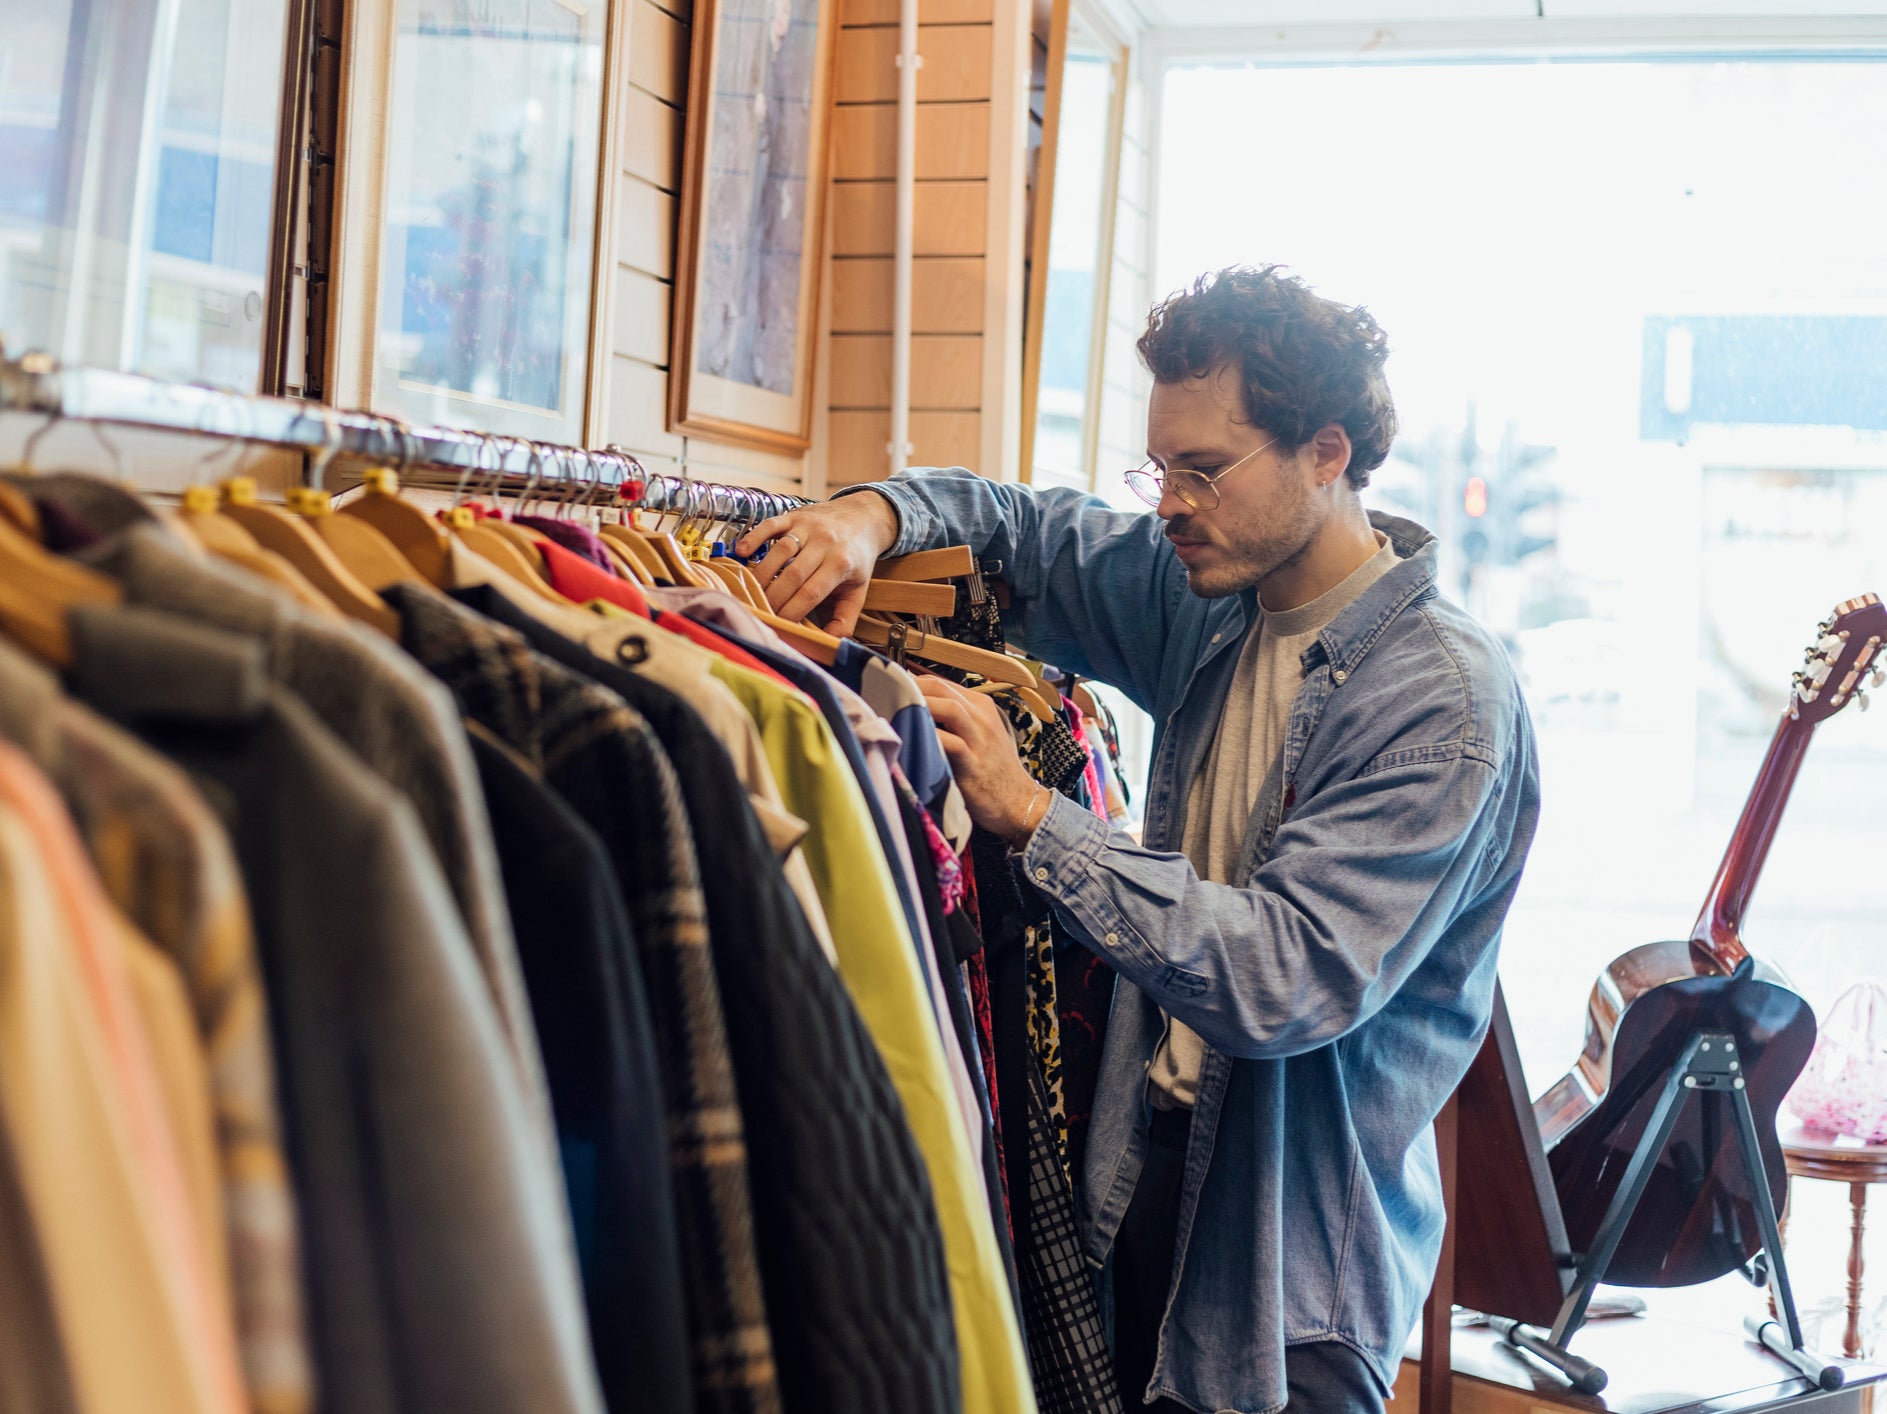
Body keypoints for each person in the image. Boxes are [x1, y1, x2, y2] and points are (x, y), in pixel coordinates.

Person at [736, 264, 1540, 1414]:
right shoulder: (1211, 596)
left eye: (1203, 470)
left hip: (1286, 1286)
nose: (1168, 501)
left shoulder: (1443, 704)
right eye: (1159, 467)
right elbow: (1023, 530)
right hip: (1146, 1191)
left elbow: (1285, 977)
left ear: (1326, 451)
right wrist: (872, 515)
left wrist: (1035, 815)